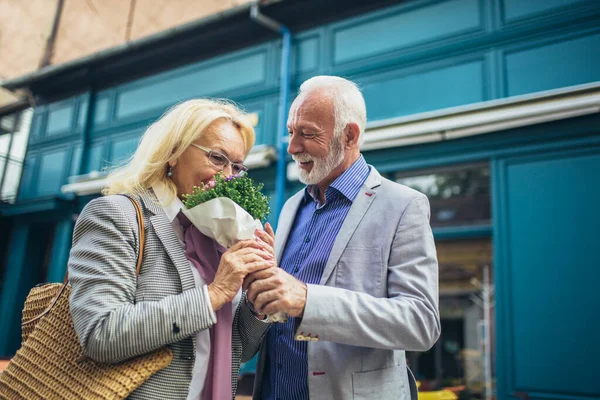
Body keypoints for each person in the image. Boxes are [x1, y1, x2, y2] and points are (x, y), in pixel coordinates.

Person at [244, 76, 441, 400]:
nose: (293, 147)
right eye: (292, 132)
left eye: (307, 134)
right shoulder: (292, 207)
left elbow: (421, 322)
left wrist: (308, 300)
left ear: (349, 135)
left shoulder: (404, 205)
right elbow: (277, 313)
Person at [68, 99, 275, 400]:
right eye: (217, 158)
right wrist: (214, 294)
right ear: (174, 152)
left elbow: (237, 349)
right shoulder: (115, 215)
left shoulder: (219, 234)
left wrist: (258, 292)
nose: (228, 176)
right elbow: (101, 333)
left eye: (237, 167)